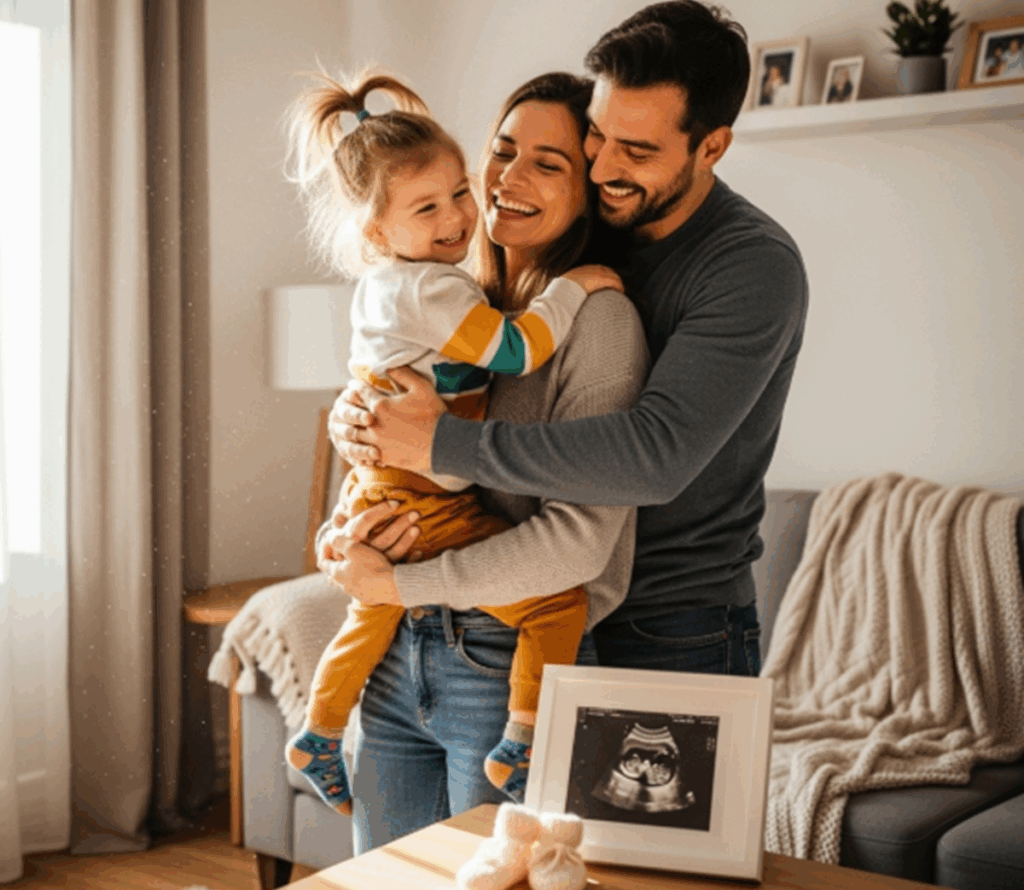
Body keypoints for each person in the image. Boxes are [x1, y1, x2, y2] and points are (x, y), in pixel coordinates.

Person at [326, 0, 809, 682]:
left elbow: (655, 456)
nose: (605, 166)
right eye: (598, 138)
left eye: (636, 150)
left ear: (712, 148)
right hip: (527, 613)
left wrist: (437, 444)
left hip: (672, 625)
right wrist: (359, 448)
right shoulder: (530, 262)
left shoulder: (749, 267)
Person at [281, 71, 626, 815]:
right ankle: (323, 731)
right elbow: (423, 422)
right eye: (502, 151)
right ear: (379, 229)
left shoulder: (600, 326)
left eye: (550, 161)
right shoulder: (456, 291)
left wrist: (390, 580)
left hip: (484, 661)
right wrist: (345, 529)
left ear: (592, 181)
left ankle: (321, 730)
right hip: (404, 656)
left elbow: (577, 541)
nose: (505, 181)